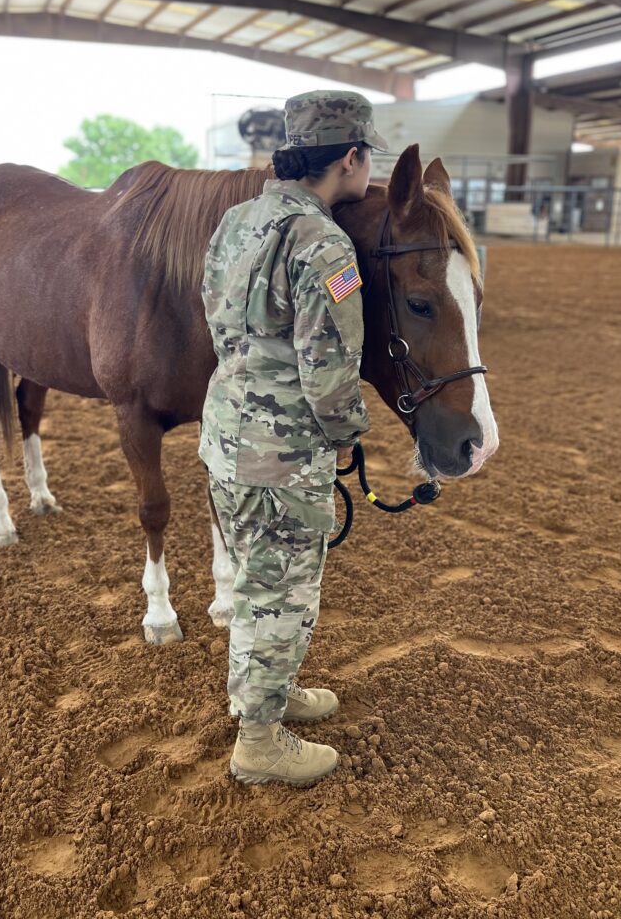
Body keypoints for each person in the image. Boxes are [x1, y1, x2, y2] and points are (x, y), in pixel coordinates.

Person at [199, 90, 388, 787]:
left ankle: (265, 695)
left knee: (256, 581)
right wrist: (345, 436)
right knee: (283, 593)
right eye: (368, 157)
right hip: (282, 453)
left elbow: (214, 314)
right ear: (350, 157)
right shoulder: (324, 242)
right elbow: (330, 365)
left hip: (225, 434)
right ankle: (259, 742)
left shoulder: (237, 220)